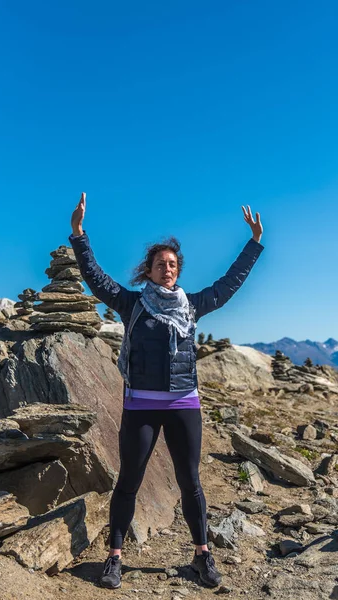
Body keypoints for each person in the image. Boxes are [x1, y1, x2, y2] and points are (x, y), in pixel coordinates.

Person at [69, 192, 264, 590]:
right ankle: (114, 557)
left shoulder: (191, 305)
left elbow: (228, 285)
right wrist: (79, 235)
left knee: (190, 480)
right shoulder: (131, 303)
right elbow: (95, 277)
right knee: (129, 481)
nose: (167, 268)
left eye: (173, 264)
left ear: (178, 269)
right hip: (140, 405)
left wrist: (254, 244)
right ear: (150, 270)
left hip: (183, 404)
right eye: (161, 264)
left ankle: (202, 554)